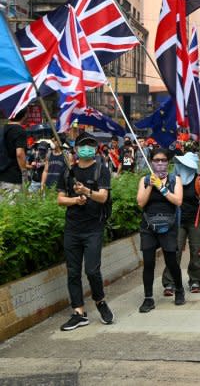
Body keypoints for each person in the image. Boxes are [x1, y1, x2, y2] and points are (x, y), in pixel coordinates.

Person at [56, 132, 114, 330]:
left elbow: (103, 197)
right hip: (72, 229)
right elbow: (60, 199)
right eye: (83, 145)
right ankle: (79, 312)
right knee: (73, 272)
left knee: (91, 270)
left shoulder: (101, 170)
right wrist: (75, 200)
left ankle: (100, 301)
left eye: (91, 145)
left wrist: (87, 192)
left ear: (96, 149)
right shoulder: (67, 172)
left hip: (93, 229)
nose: (87, 148)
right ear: (76, 149)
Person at [136, 148, 185, 312]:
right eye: (156, 160)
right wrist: (151, 184)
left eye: (163, 160)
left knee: (171, 261)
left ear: (168, 162)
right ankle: (148, 298)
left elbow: (178, 200)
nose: (160, 163)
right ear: (151, 161)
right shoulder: (144, 179)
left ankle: (179, 288)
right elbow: (141, 202)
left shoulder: (174, 179)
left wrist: (162, 187)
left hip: (168, 225)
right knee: (148, 263)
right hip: (148, 226)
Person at [162, 152, 200, 294]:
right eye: (180, 164)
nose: (181, 167)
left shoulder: (199, 180)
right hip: (177, 221)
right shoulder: (172, 180)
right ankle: (169, 282)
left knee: (196, 251)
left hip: (196, 221)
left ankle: (195, 280)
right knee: (174, 251)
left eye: (185, 164)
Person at [0, 109, 29, 194]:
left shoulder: (2, 129)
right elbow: (19, 153)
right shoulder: (19, 130)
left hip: (1, 175)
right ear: (24, 116)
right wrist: (24, 172)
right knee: (13, 205)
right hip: (13, 177)